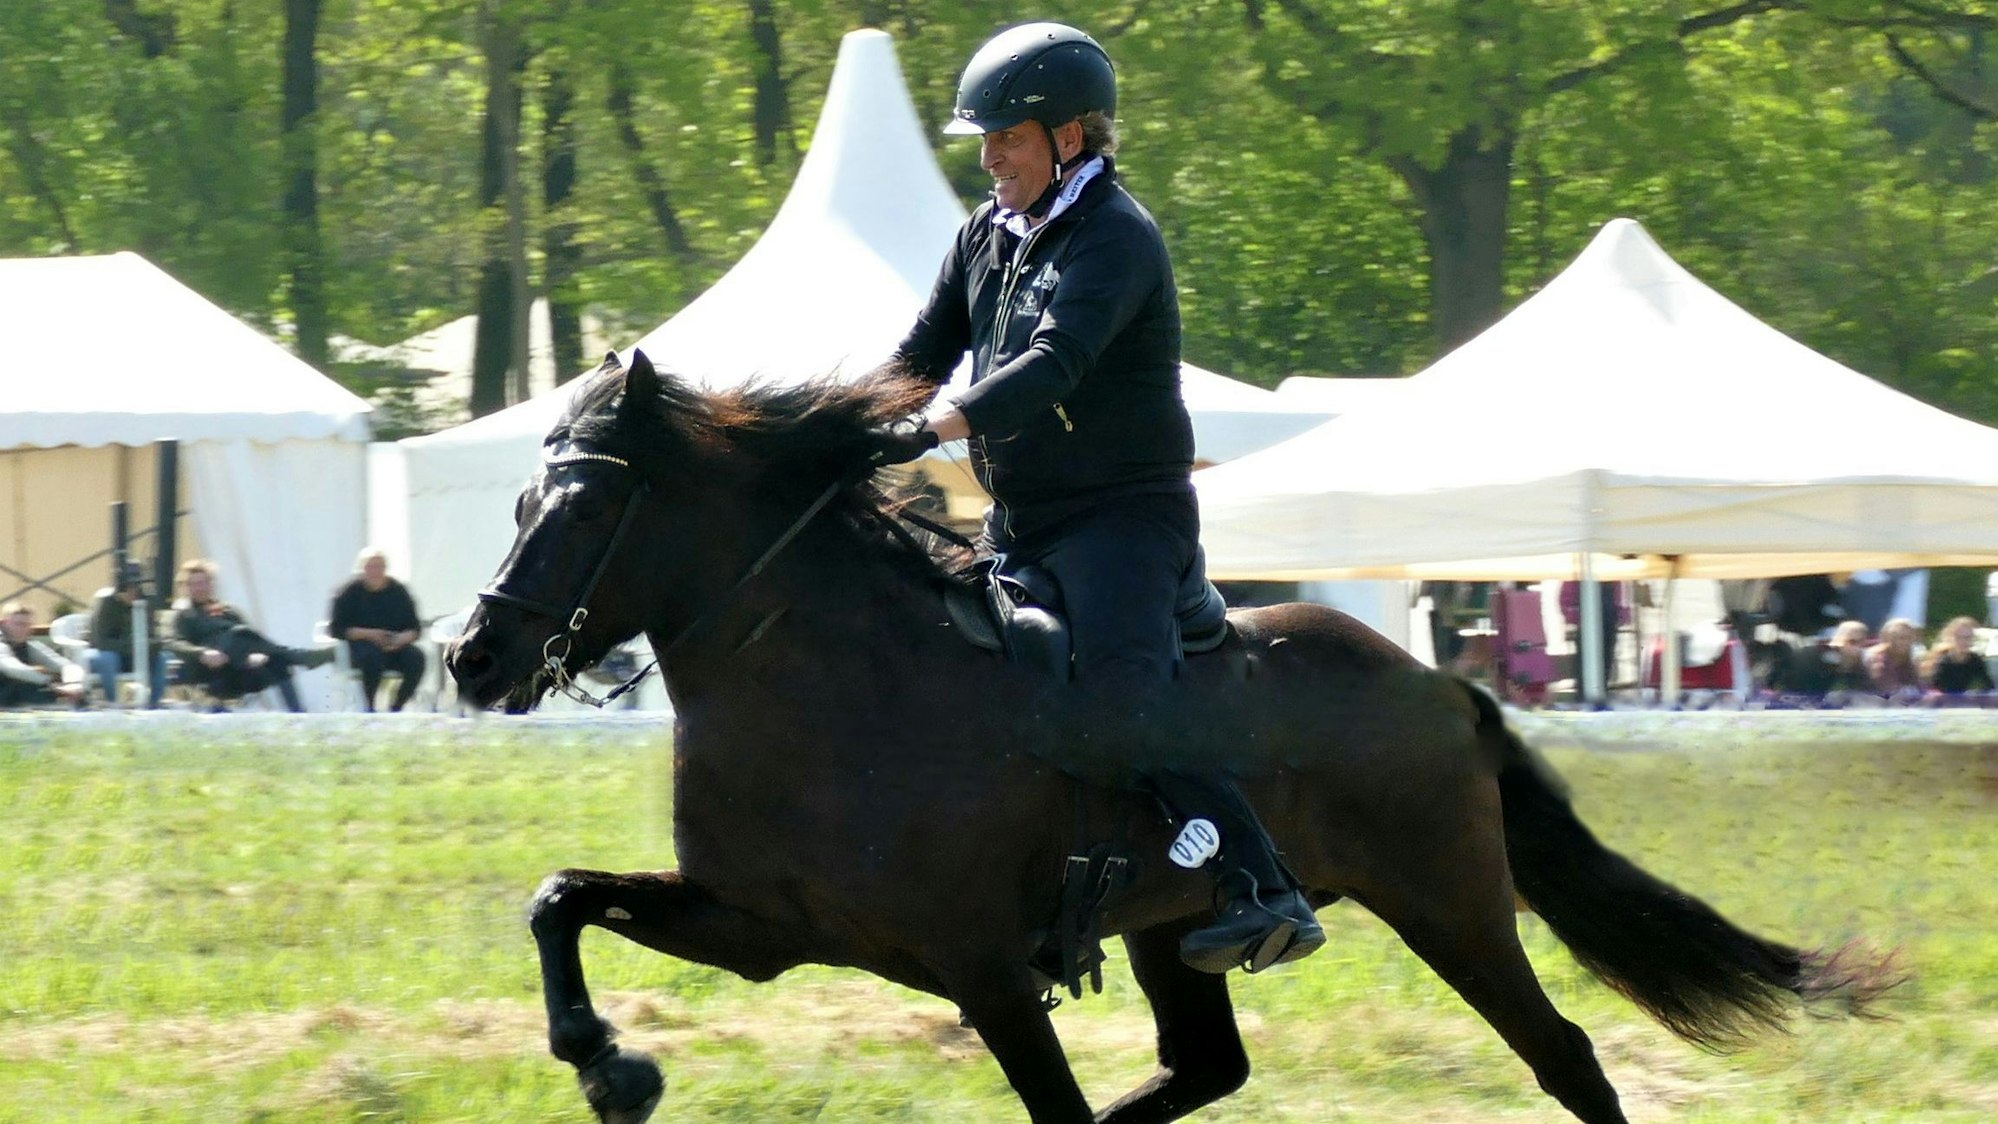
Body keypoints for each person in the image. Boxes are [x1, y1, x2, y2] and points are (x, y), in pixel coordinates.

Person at [860, 22, 1322, 976]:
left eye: (1008, 139)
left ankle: (1260, 882)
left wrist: (927, 432)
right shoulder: (984, 234)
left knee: (1115, 700)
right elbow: (918, 356)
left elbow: (1054, 365)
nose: (990, 159)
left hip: (1125, 521)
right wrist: (841, 425)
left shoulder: (1118, 235)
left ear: (1071, 137)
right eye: (984, 141)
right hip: (1022, 521)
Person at [165, 559, 333, 712]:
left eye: (204, 582)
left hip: (238, 669)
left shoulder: (228, 610)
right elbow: (174, 643)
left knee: (277, 662)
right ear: (185, 587)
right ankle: (302, 657)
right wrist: (202, 653)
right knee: (239, 632)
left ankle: (299, 715)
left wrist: (256, 655)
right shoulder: (184, 614)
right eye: (194, 584)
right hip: (211, 671)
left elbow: (251, 640)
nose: (200, 588)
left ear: (211, 584)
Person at [327, 547, 425, 712]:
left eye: (380, 566)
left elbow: (415, 628)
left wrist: (401, 639)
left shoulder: (398, 591)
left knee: (417, 658)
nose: (375, 571)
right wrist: (370, 634)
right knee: (372, 657)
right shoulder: (348, 592)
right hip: (361, 649)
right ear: (361, 569)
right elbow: (336, 629)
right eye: (370, 566)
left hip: (395, 647)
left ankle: (397, 705)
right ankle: (370, 707)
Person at [86, 565, 169, 708]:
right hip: (105, 654)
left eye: (136, 587)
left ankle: (154, 705)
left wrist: (152, 644)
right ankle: (113, 704)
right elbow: (101, 642)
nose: (134, 592)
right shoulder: (107, 603)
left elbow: (152, 633)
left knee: (161, 658)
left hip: (135, 654)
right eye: (129, 587)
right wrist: (135, 646)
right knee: (108, 658)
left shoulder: (145, 603)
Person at [0, 601, 87, 708]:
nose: (24, 629)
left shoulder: (29, 645)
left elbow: (66, 665)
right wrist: (50, 683)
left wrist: (74, 683)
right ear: (3, 624)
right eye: (19, 624)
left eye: (27, 625)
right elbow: (12, 668)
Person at [1921, 615, 1993, 701]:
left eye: (1968, 638)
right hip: (1941, 707)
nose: (1964, 642)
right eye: (1960, 637)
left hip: (1965, 706)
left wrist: (1976, 693)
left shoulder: (1975, 660)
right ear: (1950, 638)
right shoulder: (1941, 662)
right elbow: (1931, 689)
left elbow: (1989, 686)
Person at [1865, 617, 1923, 703]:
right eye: (1901, 638)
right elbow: (1887, 688)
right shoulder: (1875, 658)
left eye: (1909, 638)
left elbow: (1921, 685)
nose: (1905, 642)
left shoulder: (1915, 658)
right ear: (1886, 639)